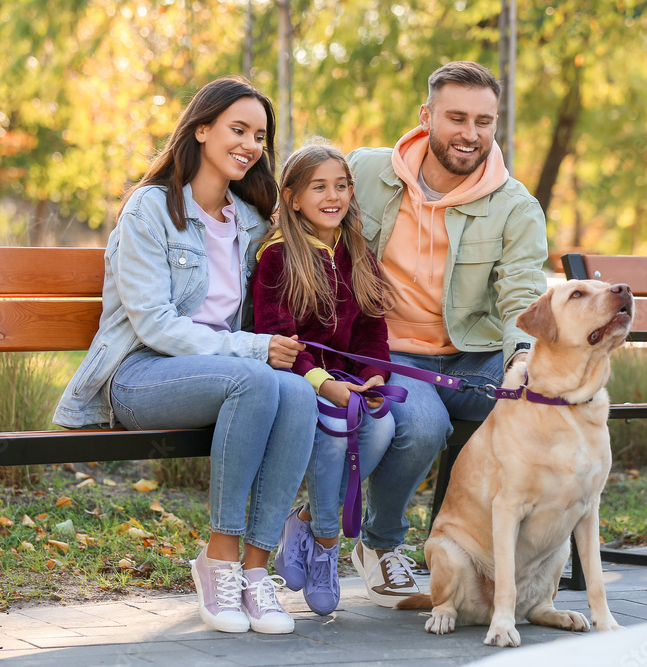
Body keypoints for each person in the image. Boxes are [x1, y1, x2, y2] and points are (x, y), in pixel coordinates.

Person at [52, 76, 317, 635]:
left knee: (294, 389)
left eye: (259, 136)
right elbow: (154, 323)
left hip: (226, 376)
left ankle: (254, 569)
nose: (249, 144)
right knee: (259, 380)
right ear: (201, 129)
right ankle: (218, 558)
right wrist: (251, 349)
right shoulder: (151, 210)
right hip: (141, 375)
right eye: (237, 129)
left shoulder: (250, 221)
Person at [346, 61, 549, 606]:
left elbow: (523, 293)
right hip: (385, 353)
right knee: (425, 425)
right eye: (456, 117)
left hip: (471, 355)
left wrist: (523, 360)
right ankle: (379, 543)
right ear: (427, 116)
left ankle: (514, 554)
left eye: (484, 121)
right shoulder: (365, 173)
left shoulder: (514, 205)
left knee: (543, 408)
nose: (471, 134)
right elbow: (300, 219)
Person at [251, 141, 395, 616]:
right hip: (299, 380)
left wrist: (373, 377)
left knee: (385, 427)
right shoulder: (277, 257)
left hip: (351, 381)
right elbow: (275, 335)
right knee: (335, 436)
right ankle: (327, 548)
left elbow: (373, 326)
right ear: (292, 198)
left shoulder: (357, 251)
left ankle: (308, 520)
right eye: (319, 187)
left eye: (342, 186)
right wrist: (321, 381)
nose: (333, 195)